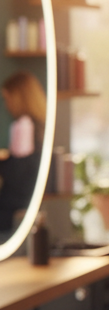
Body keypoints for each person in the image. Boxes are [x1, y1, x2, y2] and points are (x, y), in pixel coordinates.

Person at [0, 71, 46, 233]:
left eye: (7, 99)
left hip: (13, 206)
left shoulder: (23, 126)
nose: (6, 105)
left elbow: (17, 172)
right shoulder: (40, 126)